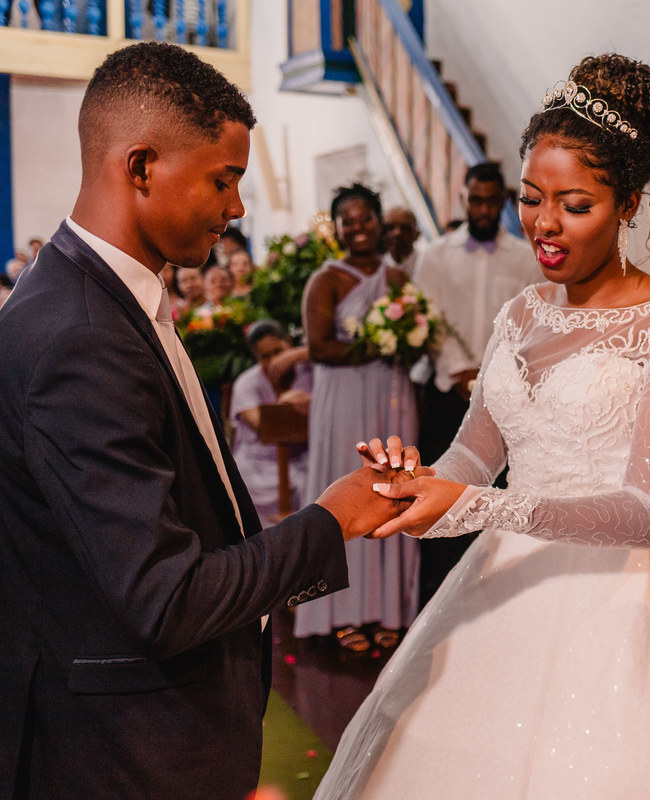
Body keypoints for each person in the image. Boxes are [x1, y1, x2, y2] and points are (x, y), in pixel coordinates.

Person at [315, 54, 650, 800]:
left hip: (614, 608)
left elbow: (646, 514)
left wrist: (478, 508)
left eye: (574, 205)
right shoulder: (522, 313)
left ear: (629, 204)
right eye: (530, 198)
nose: (543, 224)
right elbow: (474, 455)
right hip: (497, 593)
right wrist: (419, 486)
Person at [0, 42, 411, 799]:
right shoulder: (79, 335)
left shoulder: (107, 300)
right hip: (118, 752)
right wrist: (332, 519)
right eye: (223, 180)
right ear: (141, 166)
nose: (237, 208)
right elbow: (166, 596)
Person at [296, 182, 421, 652]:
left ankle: (389, 608)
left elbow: (418, 337)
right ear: (339, 230)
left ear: (378, 222)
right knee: (346, 490)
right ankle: (341, 612)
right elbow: (320, 347)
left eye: (365, 217)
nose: (358, 227)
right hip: (344, 399)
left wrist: (405, 340)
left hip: (389, 393)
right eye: (347, 220)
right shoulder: (325, 280)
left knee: (395, 491)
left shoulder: (399, 279)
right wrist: (379, 341)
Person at [410, 161, 542, 603]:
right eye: (475, 200)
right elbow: (429, 319)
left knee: (494, 492)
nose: (483, 209)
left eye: (492, 201)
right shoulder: (435, 254)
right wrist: (460, 371)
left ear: (504, 202)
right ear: (464, 200)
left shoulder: (525, 257)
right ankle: (438, 596)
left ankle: (489, 589)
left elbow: (529, 324)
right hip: (447, 392)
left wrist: (490, 376)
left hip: (504, 393)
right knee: (444, 488)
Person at [230, 319, 313, 521]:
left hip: (305, 456)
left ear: (289, 343)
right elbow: (263, 426)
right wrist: (283, 403)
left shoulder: (309, 371)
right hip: (259, 463)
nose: (274, 360)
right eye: (265, 356)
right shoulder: (246, 382)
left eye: (278, 351)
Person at [381, 205, 420, 273]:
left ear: (417, 234)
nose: (397, 233)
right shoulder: (379, 269)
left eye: (404, 228)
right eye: (390, 227)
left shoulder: (427, 262)